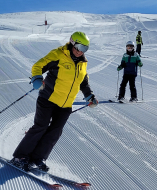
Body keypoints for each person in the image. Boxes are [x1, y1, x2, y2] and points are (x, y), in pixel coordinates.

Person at [11, 31, 98, 172]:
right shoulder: (58, 54)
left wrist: (90, 96)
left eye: (85, 49)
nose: (80, 52)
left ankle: (37, 158)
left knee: (55, 132)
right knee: (41, 126)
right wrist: (37, 78)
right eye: (79, 47)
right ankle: (20, 157)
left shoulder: (83, 63)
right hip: (48, 98)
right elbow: (38, 66)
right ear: (72, 43)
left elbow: (84, 82)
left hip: (66, 105)